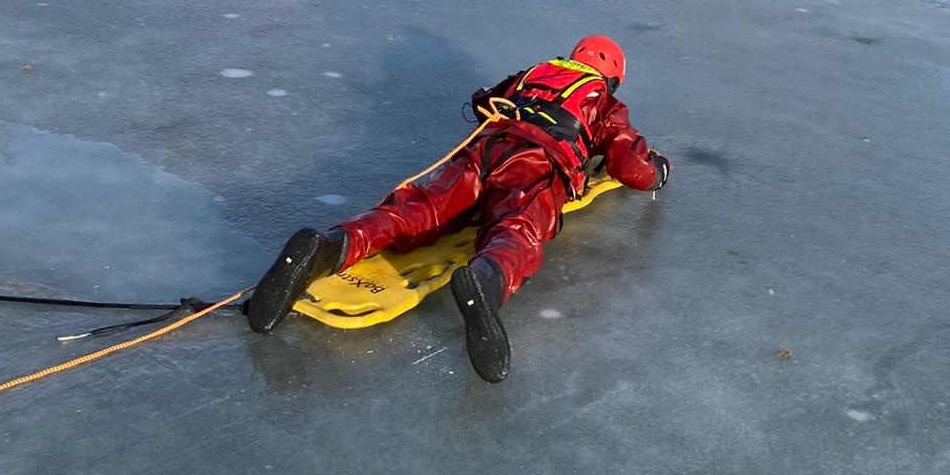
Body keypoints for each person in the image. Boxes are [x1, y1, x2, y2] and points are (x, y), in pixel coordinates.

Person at [245, 35, 671, 383]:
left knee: (417, 210)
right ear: (612, 77)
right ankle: (485, 281)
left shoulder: (535, 74)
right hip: (536, 165)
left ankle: (331, 247)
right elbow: (628, 164)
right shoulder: (605, 102)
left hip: (483, 152)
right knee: (518, 229)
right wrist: (659, 171)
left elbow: (485, 96)